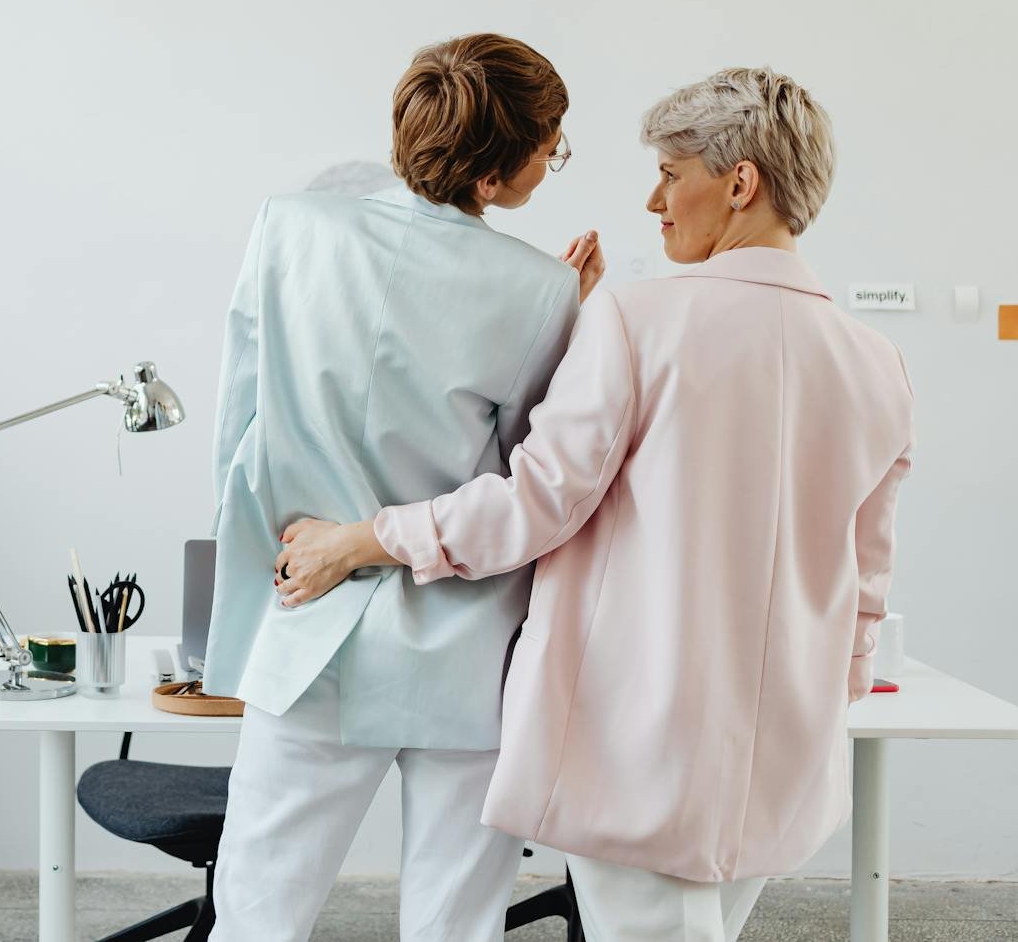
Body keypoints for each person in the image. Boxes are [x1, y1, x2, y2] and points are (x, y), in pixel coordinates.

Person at [274, 67, 914, 942]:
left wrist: (363, 539)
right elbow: (866, 581)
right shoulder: (876, 361)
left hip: (638, 742)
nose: (655, 198)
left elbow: (532, 504)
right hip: (788, 756)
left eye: (671, 171)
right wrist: (820, 698)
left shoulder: (639, 322)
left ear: (740, 182)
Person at [204, 33, 601, 941]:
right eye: (551, 143)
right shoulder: (540, 288)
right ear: (496, 176)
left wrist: (250, 585)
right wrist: (558, 311)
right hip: (463, 646)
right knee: (455, 925)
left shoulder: (288, 225)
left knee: (256, 917)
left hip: (308, 619)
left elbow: (240, 427)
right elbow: (521, 485)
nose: (554, 157)